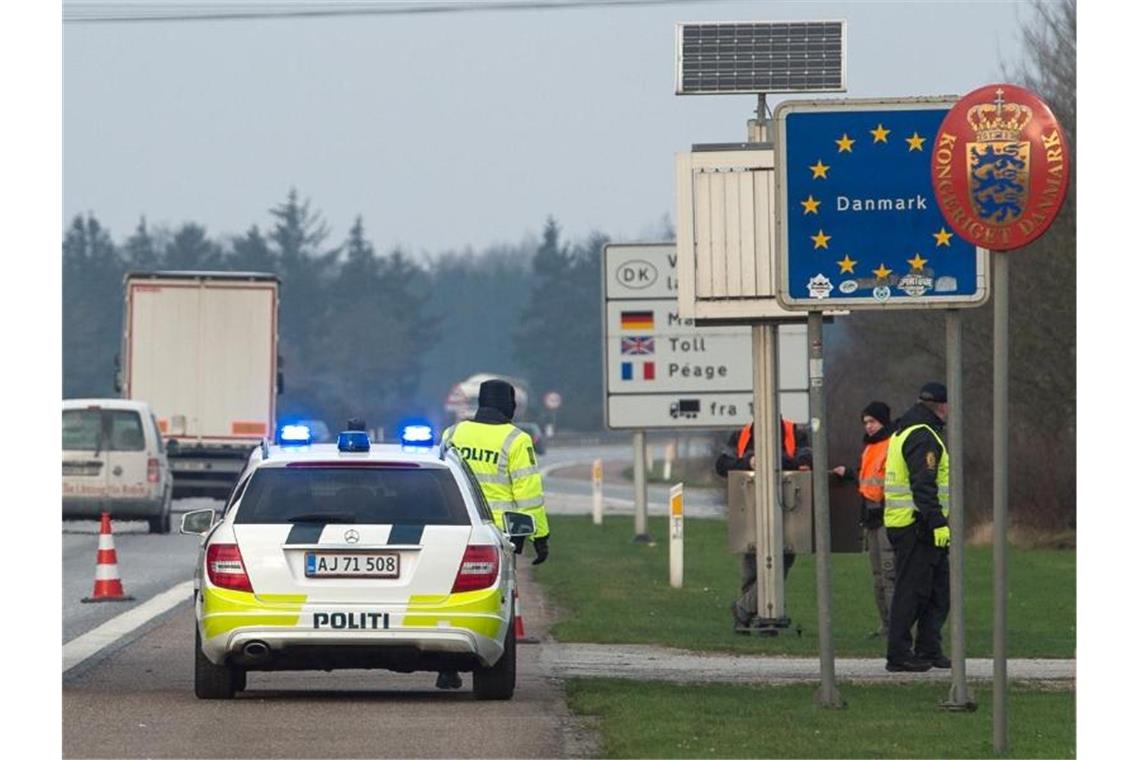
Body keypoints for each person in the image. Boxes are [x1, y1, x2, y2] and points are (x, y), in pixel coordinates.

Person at [436, 379, 550, 688]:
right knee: (498, 604)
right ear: (509, 406)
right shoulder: (516, 440)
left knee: (452, 596)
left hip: (455, 527)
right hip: (500, 534)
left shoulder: (454, 434)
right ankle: (491, 665)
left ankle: (447, 667)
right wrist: (539, 535)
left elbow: (439, 476)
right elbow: (528, 493)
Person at [715, 417, 811, 632]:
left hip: (789, 510)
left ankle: (745, 609)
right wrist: (749, 463)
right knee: (751, 566)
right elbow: (722, 465)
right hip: (749, 509)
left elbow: (805, 462)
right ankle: (753, 617)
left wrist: (770, 461)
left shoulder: (795, 433)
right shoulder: (742, 435)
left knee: (780, 561)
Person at [882, 382, 951, 673]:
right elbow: (923, 485)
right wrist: (937, 522)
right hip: (916, 525)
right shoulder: (923, 436)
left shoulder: (908, 429)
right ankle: (899, 653)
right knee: (912, 591)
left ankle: (928, 647)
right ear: (942, 406)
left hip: (915, 523)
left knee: (937, 591)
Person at [830, 401, 895, 638]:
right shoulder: (870, 447)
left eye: (872, 421)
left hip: (889, 517)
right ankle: (886, 625)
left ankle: (897, 628)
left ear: (883, 421)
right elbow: (866, 478)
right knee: (878, 577)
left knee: (889, 575)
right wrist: (849, 474)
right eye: (865, 422)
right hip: (872, 518)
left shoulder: (891, 444)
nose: (868, 426)